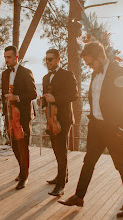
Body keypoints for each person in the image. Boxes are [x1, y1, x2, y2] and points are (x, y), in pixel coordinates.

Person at [58, 42, 123, 217]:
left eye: (91, 63)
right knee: (88, 161)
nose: (89, 67)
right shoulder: (94, 74)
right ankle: (79, 196)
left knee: (120, 164)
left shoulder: (120, 72)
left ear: (100, 56)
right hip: (95, 127)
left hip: (113, 129)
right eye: (87, 64)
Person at [39, 49, 78, 196]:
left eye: (50, 59)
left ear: (58, 60)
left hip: (63, 118)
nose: (48, 62)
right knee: (55, 148)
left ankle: (61, 185)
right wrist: (42, 101)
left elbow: (74, 95)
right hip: (51, 119)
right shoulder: (45, 78)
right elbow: (46, 97)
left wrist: (55, 99)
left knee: (61, 150)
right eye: (46, 60)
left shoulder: (67, 75)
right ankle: (62, 176)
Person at [1, 46, 37, 190]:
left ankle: (25, 176)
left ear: (16, 57)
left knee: (23, 146)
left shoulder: (26, 72)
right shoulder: (4, 74)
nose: (6, 60)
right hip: (10, 115)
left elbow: (33, 94)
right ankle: (21, 170)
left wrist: (17, 97)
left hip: (22, 115)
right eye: (5, 57)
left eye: (9, 57)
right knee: (14, 145)